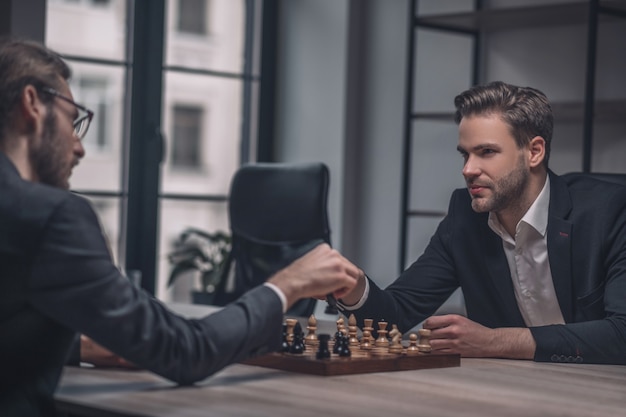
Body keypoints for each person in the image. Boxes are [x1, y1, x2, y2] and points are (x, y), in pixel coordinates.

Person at [0, 38, 360, 416]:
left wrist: (75, 344)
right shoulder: (53, 216)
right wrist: (288, 285)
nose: (80, 147)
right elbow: (184, 350)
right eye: (73, 121)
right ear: (32, 104)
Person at [338, 81, 626, 365]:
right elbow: (395, 317)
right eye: (465, 154)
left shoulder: (610, 212)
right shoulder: (465, 217)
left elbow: (622, 333)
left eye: (486, 152)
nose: (468, 170)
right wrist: (354, 287)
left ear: (534, 152)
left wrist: (494, 341)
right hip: (507, 388)